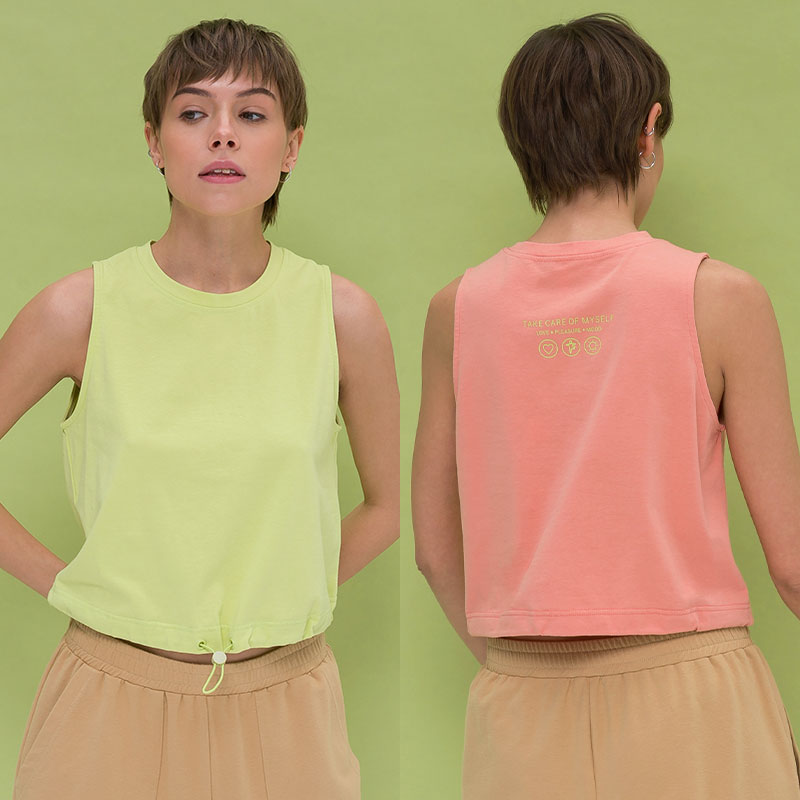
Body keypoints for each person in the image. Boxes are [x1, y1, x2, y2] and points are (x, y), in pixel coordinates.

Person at [2, 17, 399, 800]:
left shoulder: (341, 316)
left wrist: (288, 596)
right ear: (154, 141)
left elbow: (385, 508)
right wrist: (70, 585)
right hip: (106, 706)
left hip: (287, 708)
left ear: (291, 146)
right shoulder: (80, 309)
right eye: (193, 113)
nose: (223, 134)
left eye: (251, 113)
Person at [412, 11, 800, 799]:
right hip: (694, 698)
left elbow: (433, 548)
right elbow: (793, 563)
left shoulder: (459, 308)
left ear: (522, 141)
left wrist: (518, 666)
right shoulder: (721, 297)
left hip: (520, 704)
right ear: (648, 131)